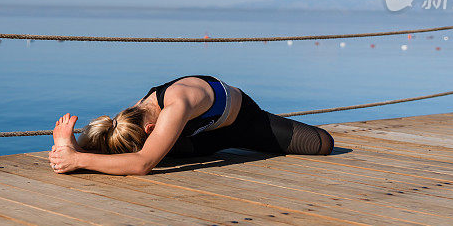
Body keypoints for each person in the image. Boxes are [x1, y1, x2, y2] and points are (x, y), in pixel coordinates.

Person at [48, 75, 334, 175]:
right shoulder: (134, 113)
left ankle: (76, 153)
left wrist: (77, 160)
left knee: (322, 144)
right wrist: (76, 150)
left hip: (243, 124)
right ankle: (73, 148)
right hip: (198, 139)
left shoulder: (177, 103)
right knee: (121, 143)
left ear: (151, 131)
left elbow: (141, 164)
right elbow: (119, 137)